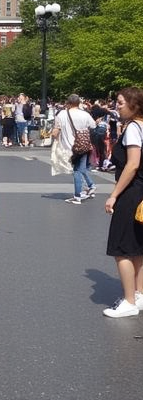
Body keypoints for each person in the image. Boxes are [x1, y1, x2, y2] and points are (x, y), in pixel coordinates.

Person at [103, 87, 143, 318]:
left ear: (134, 105)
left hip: (131, 192)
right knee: (137, 246)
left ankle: (129, 300)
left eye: (120, 102)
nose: (117, 105)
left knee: (121, 248)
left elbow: (132, 164)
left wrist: (114, 194)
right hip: (141, 190)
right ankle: (138, 294)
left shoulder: (134, 129)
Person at [52, 94, 96, 204]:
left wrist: (55, 139)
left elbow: (56, 130)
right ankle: (91, 186)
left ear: (68, 103)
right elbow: (93, 126)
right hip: (83, 144)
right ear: (78, 103)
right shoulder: (85, 114)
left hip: (69, 146)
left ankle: (77, 196)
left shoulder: (61, 114)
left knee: (76, 170)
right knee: (80, 168)